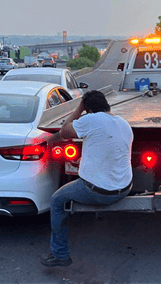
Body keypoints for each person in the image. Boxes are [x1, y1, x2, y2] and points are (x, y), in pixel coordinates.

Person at [40, 90, 133, 267]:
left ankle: (60, 254)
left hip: (99, 192)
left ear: (88, 110)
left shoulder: (90, 120)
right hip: (125, 187)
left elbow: (65, 131)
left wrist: (79, 108)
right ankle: (100, 211)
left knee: (57, 200)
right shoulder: (124, 123)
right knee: (104, 173)